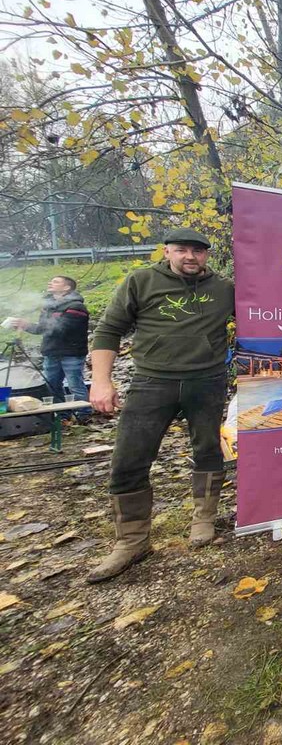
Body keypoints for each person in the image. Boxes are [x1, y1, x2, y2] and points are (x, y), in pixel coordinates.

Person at [86, 228, 235, 583]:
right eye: (182, 250)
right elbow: (108, 330)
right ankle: (132, 541)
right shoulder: (141, 282)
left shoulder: (224, 289)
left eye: (197, 252)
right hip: (152, 381)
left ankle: (204, 519)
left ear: (206, 255)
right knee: (129, 457)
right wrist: (101, 380)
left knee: (209, 449)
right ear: (166, 251)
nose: (190, 257)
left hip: (207, 380)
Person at [13, 275, 90, 419]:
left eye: (55, 281)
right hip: (51, 352)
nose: (50, 283)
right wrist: (24, 325)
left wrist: (29, 324)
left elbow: (61, 329)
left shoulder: (76, 307)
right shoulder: (47, 307)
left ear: (67, 287)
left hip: (71, 352)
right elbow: (42, 329)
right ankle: (62, 414)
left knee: (75, 384)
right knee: (52, 385)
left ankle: (83, 414)